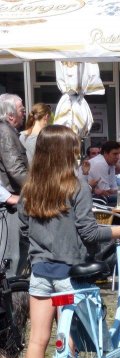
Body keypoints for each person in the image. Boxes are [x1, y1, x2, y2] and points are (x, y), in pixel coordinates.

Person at [19, 125, 120, 358]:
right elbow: (88, 231)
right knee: (68, 343)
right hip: (69, 272)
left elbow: (23, 226)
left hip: (40, 269)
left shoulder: (31, 186)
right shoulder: (76, 187)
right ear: (65, 152)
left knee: (37, 341)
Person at [0, 93, 29, 278]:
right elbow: (16, 169)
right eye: (22, 110)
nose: (24, 114)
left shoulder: (8, 132)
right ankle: (8, 302)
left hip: (14, 200)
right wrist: (40, 189)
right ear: (11, 115)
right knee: (12, 257)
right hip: (10, 204)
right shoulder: (5, 132)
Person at [87, 140, 120, 205]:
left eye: (118, 154)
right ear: (105, 153)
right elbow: (105, 191)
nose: (117, 157)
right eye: (115, 154)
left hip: (97, 197)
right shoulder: (100, 163)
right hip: (88, 199)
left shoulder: (110, 164)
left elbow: (114, 188)